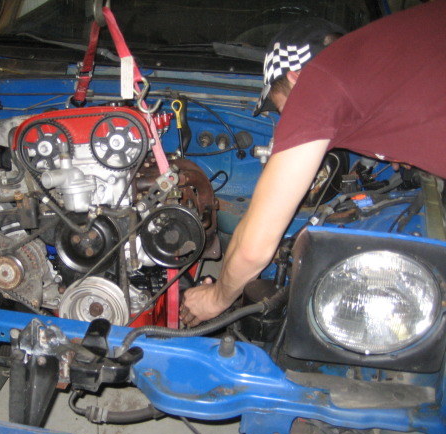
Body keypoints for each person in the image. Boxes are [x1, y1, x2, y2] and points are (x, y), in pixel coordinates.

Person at [180, 1, 446, 327]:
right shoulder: (383, 52)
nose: (286, 121)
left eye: (282, 109)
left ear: (294, 78)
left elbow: (253, 248)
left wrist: (216, 298)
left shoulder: (317, 82)